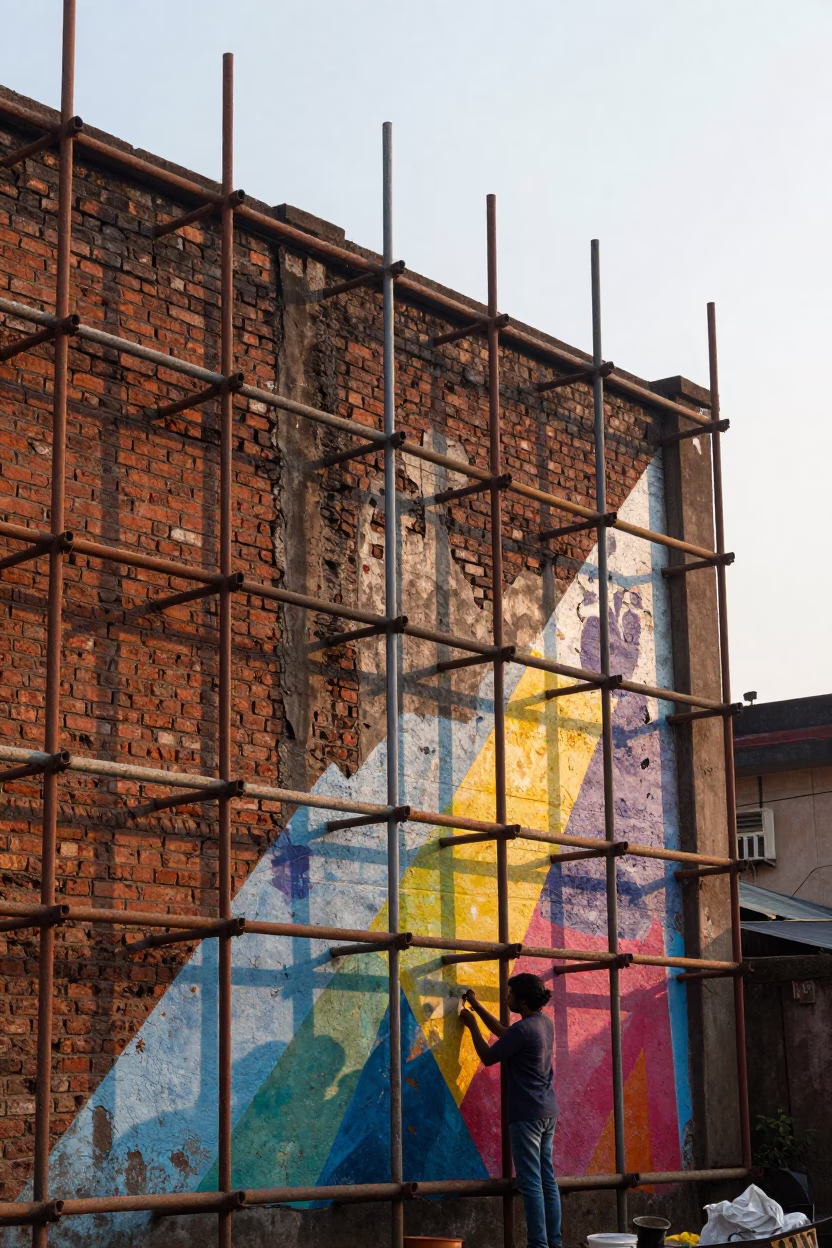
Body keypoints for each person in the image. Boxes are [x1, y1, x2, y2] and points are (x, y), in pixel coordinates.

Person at [460, 972, 561, 1248]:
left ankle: (538, 1244)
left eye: (510, 994)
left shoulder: (523, 1029)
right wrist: (477, 1006)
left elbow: (488, 1056)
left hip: (527, 1115)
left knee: (530, 1183)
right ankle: (554, 1243)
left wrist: (472, 1025)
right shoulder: (543, 1024)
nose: (507, 999)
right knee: (547, 1180)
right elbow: (506, 1034)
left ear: (523, 1001)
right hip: (547, 1111)